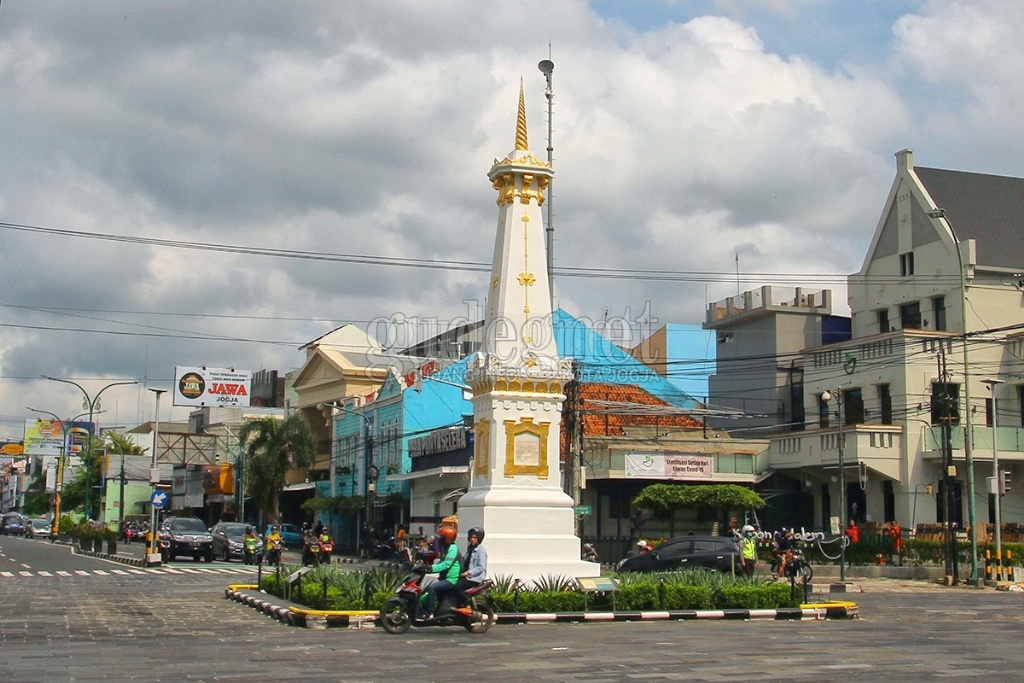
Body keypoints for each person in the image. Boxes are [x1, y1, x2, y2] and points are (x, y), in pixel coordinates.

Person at [422, 526, 460, 618]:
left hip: (451, 580)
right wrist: (428, 567)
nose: (439, 541)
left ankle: (429, 614)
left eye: (441, 539)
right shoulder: (446, 548)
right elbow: (441, 562)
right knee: (425, 590)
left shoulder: (453, 549)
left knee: (432, 588)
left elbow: (446, 564)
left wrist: (431, 569)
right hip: (444, 578)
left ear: (447, 539)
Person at [452, 526, 488, 615]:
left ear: (479, 539)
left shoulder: (481, 551)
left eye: (475, 538)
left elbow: (481, 567)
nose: (472, 539)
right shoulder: (470, 549)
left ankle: (467, 606)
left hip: (474, 578)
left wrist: (468, 573)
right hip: (467, 576)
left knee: (458, 586)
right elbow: (465, 562)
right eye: (471, 537)